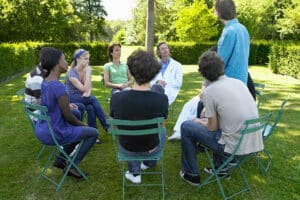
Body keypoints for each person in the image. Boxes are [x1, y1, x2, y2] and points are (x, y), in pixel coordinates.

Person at [179, 51, 263, 186]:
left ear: (203, 74)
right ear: (222, 67)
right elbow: (225, 118)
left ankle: (191, 174)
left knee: (186, 126)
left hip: (234, 146)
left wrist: (199, 121)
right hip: (252, 140)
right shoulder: (239, 83)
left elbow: (212, 127)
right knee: (224, 129)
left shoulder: (210, 91)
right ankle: (221, 169)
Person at [35, 47, 98, 178]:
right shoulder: (59, 86)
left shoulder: (45, 82)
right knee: (92, 132)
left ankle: (60, 159)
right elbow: (68, 117)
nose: (67, 63)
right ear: (57, 64)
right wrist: (84, 125)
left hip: (42, 128)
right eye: (64, 59)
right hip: (54, 132)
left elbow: (45, 102)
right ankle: (71, 166)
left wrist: (67, 106)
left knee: (76, 114)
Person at [110, 50, 169, 184]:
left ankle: (134, 172)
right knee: (163, 129)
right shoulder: (162, 99)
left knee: (124, 131)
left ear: (130, 72)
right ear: (154, 74)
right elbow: (162, 124)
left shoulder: (116, 98)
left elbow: (114, 122)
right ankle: (148, 163)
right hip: (152, 148)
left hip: (127, 148)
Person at [65, 49, 109, 143]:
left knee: (90, 107)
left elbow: (88, 88)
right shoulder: (72, 73)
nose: (87, 61)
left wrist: (87, 94)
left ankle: (94, 135)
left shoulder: (84, 70)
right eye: (85, 59)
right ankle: (106, 125)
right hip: (71, 98)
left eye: (88, 59)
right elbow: (83, 88)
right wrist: (88, 74)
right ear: (78, 59)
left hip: (82, 97)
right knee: (93, 99)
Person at [215, 0, 250, 85]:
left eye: (215, 9)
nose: (214, 12)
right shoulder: (243, 29)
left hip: (228, 83)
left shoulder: (229, 31)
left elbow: (220, 62)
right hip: (242, 83)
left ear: (220, 11)